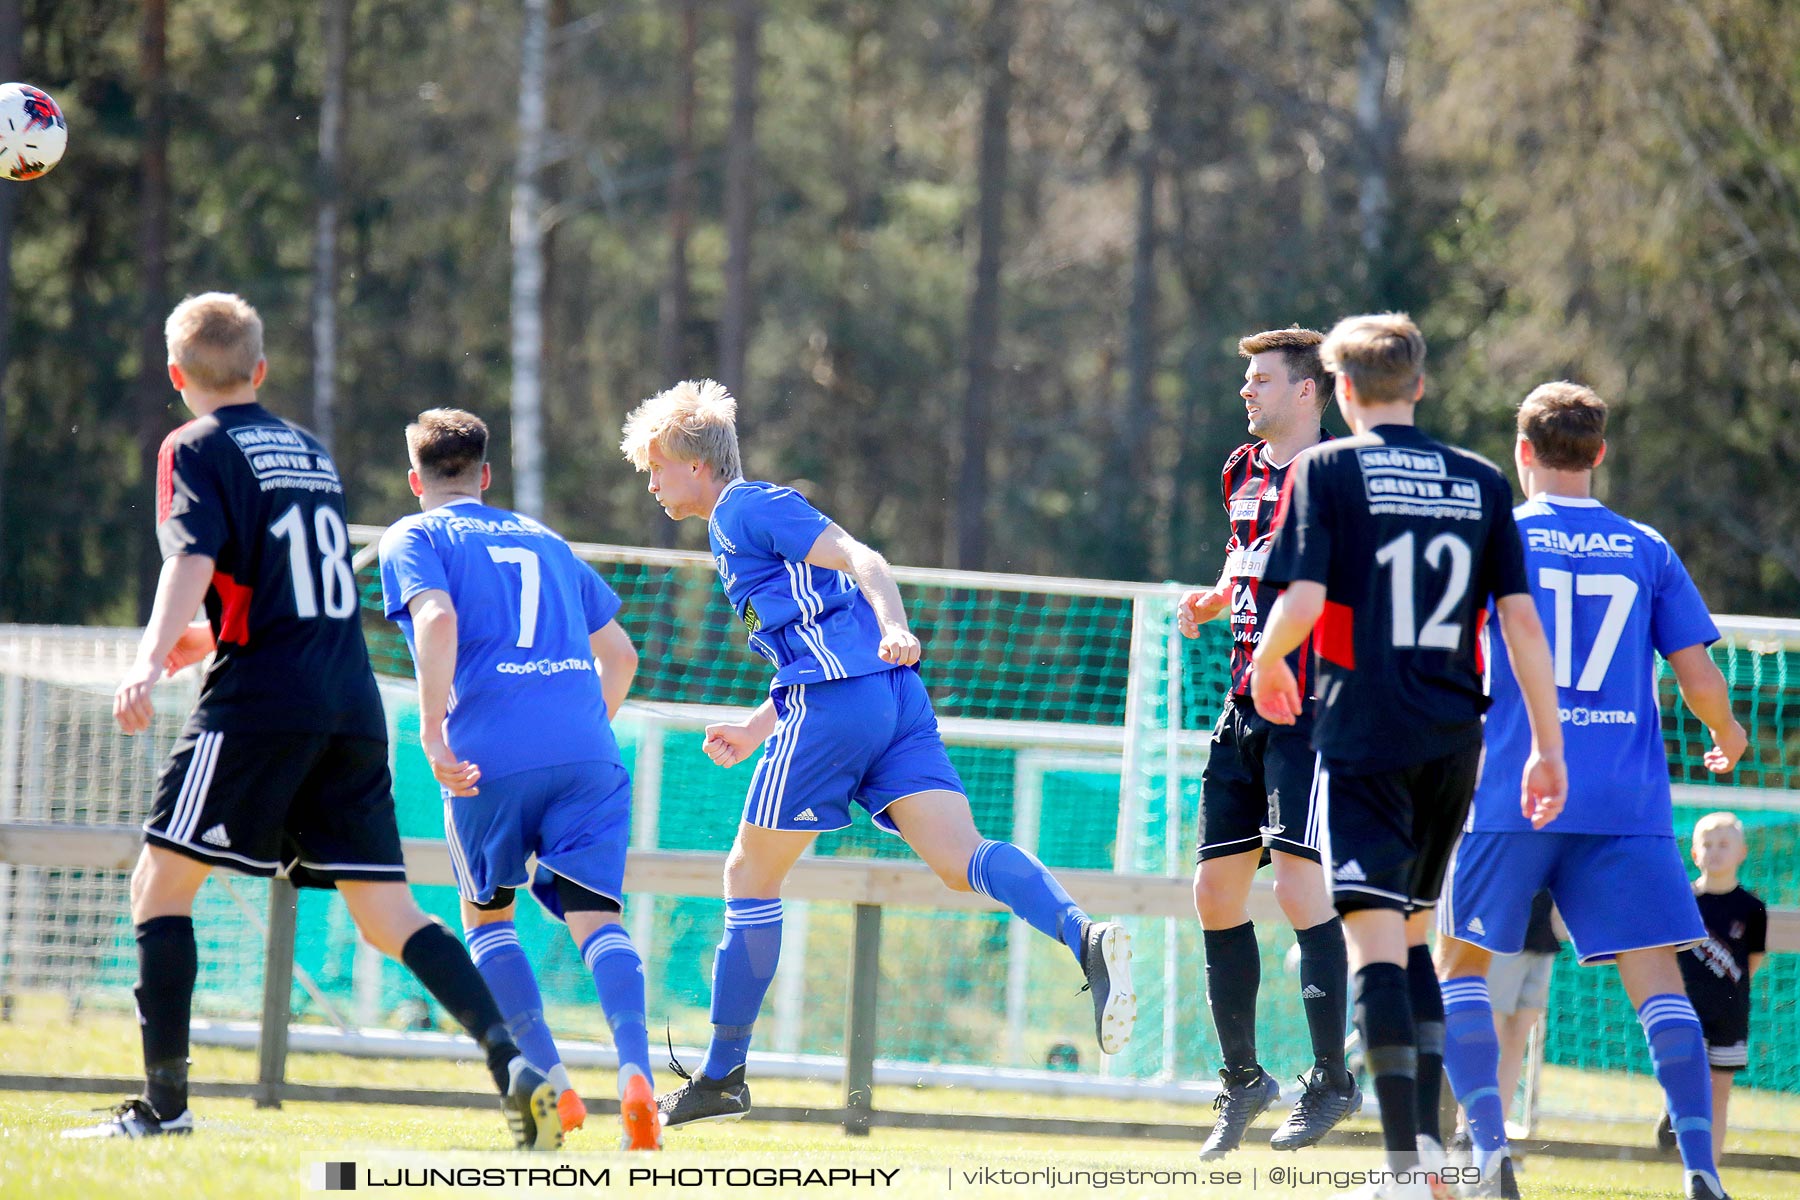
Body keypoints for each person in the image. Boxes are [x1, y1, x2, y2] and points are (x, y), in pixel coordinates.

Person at [74, 294, 556, 1148]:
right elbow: (290, 581)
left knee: (161, 888)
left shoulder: (192, 446)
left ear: (177, 376)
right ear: (259, 371)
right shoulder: (307, 450)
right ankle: (512, 1061)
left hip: (263, 700)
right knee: (387, 914)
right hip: (348, 698)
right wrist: (201, 636)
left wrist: (149, 658)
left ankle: (163, 1111)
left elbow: (192, 557)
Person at [619, 379, 1136, 1128]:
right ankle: (1083, 937)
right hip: (888, 702)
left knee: (747, 874)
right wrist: (758, 726)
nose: (651, 482)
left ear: (695, 465)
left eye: (655, 467)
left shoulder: (746, 507)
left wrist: (894, 623)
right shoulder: (737, 521)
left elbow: (867, 559)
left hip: (840, 706)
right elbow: (826, 636)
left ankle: (722, 1075)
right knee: (962, 862)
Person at [1250, 313, 1567, 1200]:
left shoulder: (1327, 469)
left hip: (1364, 737)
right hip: (1454, 740)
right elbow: (1519, 623)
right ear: (1418, 386)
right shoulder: (1478, 479)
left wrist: (1270, 661)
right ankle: (1432, 1171)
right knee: (1415, 941)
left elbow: (1305, 595)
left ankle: (1403, 1170)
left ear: (1342, 391)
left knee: (1374, 951)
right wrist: (1547, 745)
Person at [1434, 381, 1748, 1200]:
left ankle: (1490, 1153)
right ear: (1600, 453)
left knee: (1461, 969)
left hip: (1513, 786)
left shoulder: (1492, 537)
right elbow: (1698, 676)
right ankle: (1701, 1169)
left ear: (1523, 452)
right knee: (1659, 985)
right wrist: (1727, 734)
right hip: (1625, 801)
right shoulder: (1646, 547)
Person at [377, 408, 660, 1151]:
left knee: (489, 921)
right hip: (588, 749)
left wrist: (432, 732)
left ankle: (556, 1087)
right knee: (600, 920)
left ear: (416, 480)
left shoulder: (414, 534)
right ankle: (637, 1073)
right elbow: (622, 655)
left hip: (487, 758)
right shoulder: (547, 540)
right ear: (486, 474)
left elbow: (436, 622)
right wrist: (581, 728)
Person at [1178, 327, 1360, 1156]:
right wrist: (1218, 599)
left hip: (1314, 709)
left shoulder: (1345, 476)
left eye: (1261, 380)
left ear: (1308, 391)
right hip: (1243, 702)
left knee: (1296, 886)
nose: (1246, 391)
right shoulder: (1239, 469)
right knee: (1215, 892)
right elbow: (1242, 557)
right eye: (1245, 378)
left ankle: (1331, 1080)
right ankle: (1245, 1080)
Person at [1667, 812, 1766, 1165]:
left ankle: (1708, 1170)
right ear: (1694, 854)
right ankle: (1672, 1115)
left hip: (1730, 1014)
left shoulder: (1752, 908)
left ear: (1742, 851)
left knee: (1719, 1092)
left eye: (1724, 844)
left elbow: (1752, 960)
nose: (1715, 852)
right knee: (1685, 1081)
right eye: (1707, 845)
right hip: (1683, 1011)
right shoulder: (1682, 900)